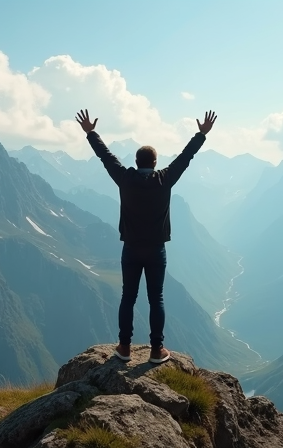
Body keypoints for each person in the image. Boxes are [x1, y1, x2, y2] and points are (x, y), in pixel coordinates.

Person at [76, 109, 217, 363]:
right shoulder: (165, 179)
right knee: (156, 298)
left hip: (130, 248)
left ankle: (124, 348)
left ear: (136, 161)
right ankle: (156, 350)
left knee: (128, 297)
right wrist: (201, 134)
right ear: (154, 163)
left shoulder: (125, 178)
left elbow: (105, 157)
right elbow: (186, 157)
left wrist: (90, 132)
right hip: (156, 249)